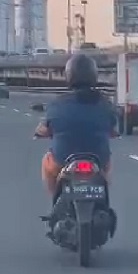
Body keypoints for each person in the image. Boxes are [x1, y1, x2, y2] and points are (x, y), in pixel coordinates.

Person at [34, 53, 118, 202]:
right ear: (94, 75)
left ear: (69, 75)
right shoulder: (105, 103)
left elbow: (46, 127)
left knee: (46, 162)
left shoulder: (57, 104)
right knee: (107, 167)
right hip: (98, 159)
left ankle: (57, 200)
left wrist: (40, 133)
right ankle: (102, 200)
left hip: (63, 159)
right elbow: (112, 126)